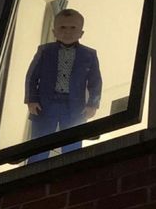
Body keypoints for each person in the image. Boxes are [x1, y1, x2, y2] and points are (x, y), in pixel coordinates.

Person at [24, 8, 102, 162]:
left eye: (73, 28)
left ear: (81, 33)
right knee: (40, 142)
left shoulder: (89, 55)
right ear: (54, 31)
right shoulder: (45, 51)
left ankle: (71, 170)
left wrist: (93, 104)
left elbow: (95, 81)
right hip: (45, 104)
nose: (68, 32)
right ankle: (34, 169)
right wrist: (31, 99)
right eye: (62, 27)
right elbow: (32, 76)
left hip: (74, 107)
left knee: (72, 144)